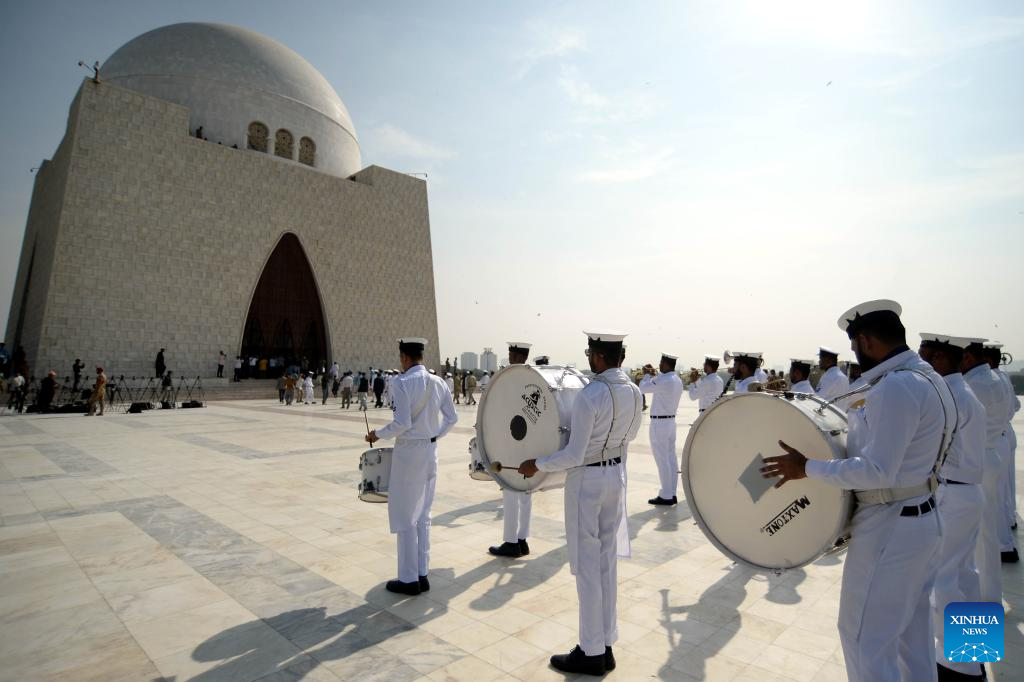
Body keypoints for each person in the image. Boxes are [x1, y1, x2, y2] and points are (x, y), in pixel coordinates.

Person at [761, 300, 955, 682]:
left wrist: (807, 468)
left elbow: (877, 469)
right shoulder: (933, 379)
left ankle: (970, 662)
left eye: (854, 346)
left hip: (897, 519)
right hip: (930, 506)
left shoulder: (896, 386)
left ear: (865, 341)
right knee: (919, 629)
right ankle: (969, 665)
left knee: (864, 638)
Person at [518, 331, 642, 676]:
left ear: (598, 356)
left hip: (587, 481)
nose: (589, 358)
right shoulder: (634, 391)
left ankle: (590, 652)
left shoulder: (591, 394)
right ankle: (605, 644)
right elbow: (630, 437)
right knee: (606, 564)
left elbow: (574, 454)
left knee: (587, 568)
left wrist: (537, 464)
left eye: (591, 353)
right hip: (616, 476)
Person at [918, 334, 987, 681]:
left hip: (953, 494)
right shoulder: (964, 392)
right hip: (968, 493)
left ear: (942, 359)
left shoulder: (950, 396)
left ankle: (954, 665)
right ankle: (975, 657)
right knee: (966, 576)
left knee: (942, 579)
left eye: (926, 358)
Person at [364, 337, 457, 595]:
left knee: (406, 514)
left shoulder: (402, 382)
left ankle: (408, 579)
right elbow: (452, 418)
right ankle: (422, 573)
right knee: (424, 514)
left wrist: (377, 434)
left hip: (409, 453)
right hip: (430, 451)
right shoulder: (438, 382)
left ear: (404, 357)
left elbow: (402, 423)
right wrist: (433, 436)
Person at [961, 340, 1017, 570]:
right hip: (994, 446)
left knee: (982, 527)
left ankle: (1004, 548)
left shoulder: (974, 385)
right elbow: (1013, 408)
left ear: (969, 358)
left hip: (979, 454)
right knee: (991, 517)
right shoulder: (995, 378)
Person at [489, 343, 536, 558]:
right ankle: (522, 539)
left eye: (510, 354)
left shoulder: (508, 379)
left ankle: (511, 542)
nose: (509, 358)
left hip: (513, 443)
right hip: (528, 444)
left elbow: (500, 409)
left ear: (517, 356)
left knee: (510, 492)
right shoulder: (533, 377)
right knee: (525, 493)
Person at [985, 342, 1020, 538]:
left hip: (996, 437)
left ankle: (1005, 532)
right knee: (1005, 486)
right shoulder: (1002, 376)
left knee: (999, 491)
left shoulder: (990, 380)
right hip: (1003, 432)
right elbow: (1015, 405)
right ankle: (1009, 518)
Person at [640, 353, 683, 506]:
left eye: (660, 363)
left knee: (662, 460)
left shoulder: (664, 380)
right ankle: (671, 493)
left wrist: (646, 375)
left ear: (665, 364)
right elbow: (659, 384)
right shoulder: (676, 379)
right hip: (670, 422)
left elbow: (642, 388)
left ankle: (666, 495)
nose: (659, 365)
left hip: (660, 424)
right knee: (671, 459)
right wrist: (655, 375)